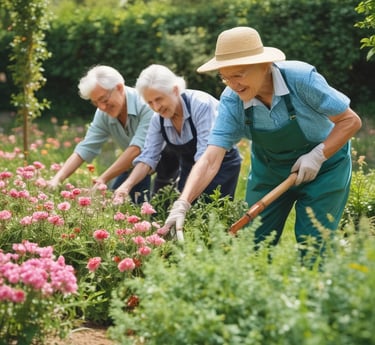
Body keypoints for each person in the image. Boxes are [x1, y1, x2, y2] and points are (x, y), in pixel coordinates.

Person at [164, 26, 362, 250]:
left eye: (238, 75)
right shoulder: (232, 101)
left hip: (325, 169)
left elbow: (350, 121)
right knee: (252, 244)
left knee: (315, 245)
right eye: (225, 78)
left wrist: (317, 155)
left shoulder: (301, 79)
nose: (233, 85)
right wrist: (183, 203)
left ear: (264, 65)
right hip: (270, 172)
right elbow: (211, 158)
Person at [114, 64, 242, 207]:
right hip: (190, 167)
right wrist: (126, 186)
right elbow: (148, 158)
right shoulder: (158, 119)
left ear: (174, 90)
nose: (156, 107)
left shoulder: (200, 105)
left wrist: (185, 200)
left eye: (159, 99)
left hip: (219, 165)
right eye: (150, 102)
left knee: (212, 212)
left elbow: (205, 156)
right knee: (184, 215)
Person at [47, 65, 177, 203]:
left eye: (103, 99)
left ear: (119, 88)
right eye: (95, 102)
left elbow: (137, 149)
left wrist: (103, 178)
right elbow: (86, 147)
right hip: (136, 164)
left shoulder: (147, 104)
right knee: (116, 202)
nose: (102, 107)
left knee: (162, 207)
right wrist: (57, 179)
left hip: (170, 160)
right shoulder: (103, 113)